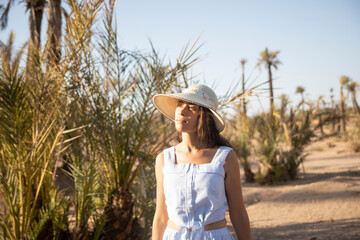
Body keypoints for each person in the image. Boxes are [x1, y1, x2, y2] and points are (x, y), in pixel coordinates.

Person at [151, 84, 251, 240]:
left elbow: (238, 213)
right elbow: (161, 217)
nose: (181, 111)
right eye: (180, 105)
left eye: (191, 107)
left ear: (205, 117)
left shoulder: (225, 157)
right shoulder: (164, 159)